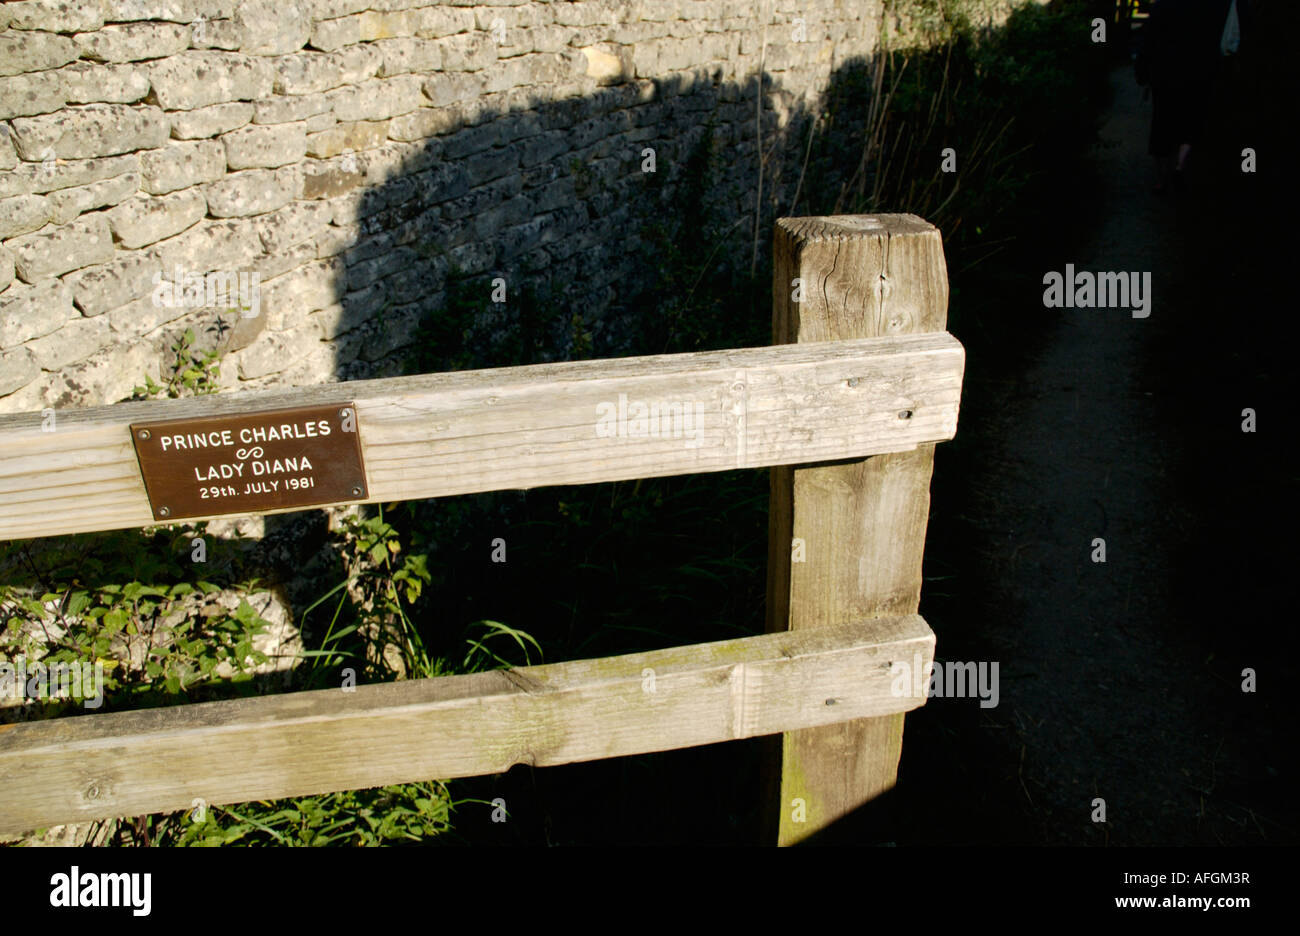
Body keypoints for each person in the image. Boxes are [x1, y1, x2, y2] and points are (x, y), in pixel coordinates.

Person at [1134, 0, 1237, 193]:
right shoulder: (1215, 5)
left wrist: (1142, 70)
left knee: (1162, 122)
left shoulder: (1164, 5)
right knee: (1192, 121)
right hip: (1200, 70)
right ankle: (1180, 166)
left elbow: (1149, 37)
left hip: (1165, 71)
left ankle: (1162, 179)